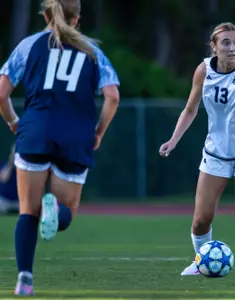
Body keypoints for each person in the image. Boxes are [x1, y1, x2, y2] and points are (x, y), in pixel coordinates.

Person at [0, 0, 120, 295]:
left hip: (35, 131)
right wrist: (99, 132)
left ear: (45, 15)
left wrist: (15, 122)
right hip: (76, 136)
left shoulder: (29, 45)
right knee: (66, 213)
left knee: (27, 211)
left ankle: (24, 280)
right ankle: (52, 210)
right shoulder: (93, 52)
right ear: (77, 20)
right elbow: (112, 97)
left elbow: (1, 94)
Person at [159, 22, 235, 275]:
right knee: (200, 221)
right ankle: (201, 262)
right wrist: (174, 139)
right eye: (226, 42)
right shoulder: (203, 70)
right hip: (215, 154)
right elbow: (190, 109)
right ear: (213, 47)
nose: (233, 48)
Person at [0, 143, 19, 215]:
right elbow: (4, 178)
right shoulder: (5, 165)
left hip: (18, 201)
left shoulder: (24, 169)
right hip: (4, 200)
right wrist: (10, 164)